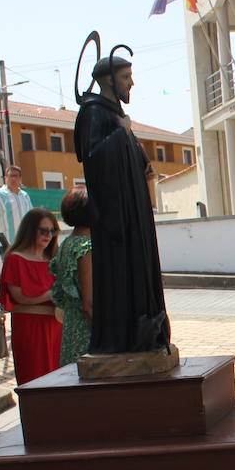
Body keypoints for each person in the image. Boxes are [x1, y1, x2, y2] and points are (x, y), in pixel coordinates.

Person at [73, 50, 171, 358]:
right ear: (108, 80)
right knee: (121, 278)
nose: (132, 83)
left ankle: (147, 333)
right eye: (126, 77)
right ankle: (125, 337)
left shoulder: (114, 112)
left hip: (135, 215)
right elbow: (93, 157)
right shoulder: (93, 112)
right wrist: (121, 135)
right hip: (116, 219)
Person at [0, 209, 62, 384]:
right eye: (43, 230)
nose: (48, 235)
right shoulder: (15, 259)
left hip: (55, 325)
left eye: (52, 231)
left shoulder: (52, 259)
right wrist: (52, 293)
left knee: (58, 379)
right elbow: (20, 297)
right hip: (30, 326)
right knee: (35, 378)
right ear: (30, 230)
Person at [50, 191, 94, 365]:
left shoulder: (67, 243)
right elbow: (89, 304)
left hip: (71, 328)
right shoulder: (85, 246)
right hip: (86, 331)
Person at [0, 165, 32, 245]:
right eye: (10, 176)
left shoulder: (25, 196)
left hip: (25, 243)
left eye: (15, 176)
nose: (13, 179)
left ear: (20, 178)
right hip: (6, 244)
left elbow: (31, 217)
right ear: (5, 178)